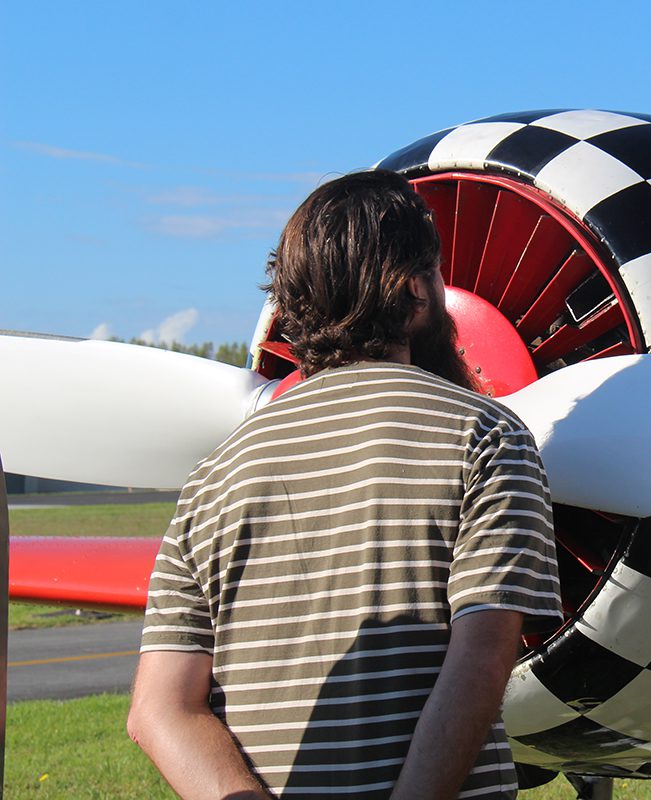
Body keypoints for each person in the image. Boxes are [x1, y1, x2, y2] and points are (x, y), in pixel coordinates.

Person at [127, 170, 562, 799]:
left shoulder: (214, 473)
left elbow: (159, 710)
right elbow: (483, 657)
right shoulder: (489, 436)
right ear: (415, 287)